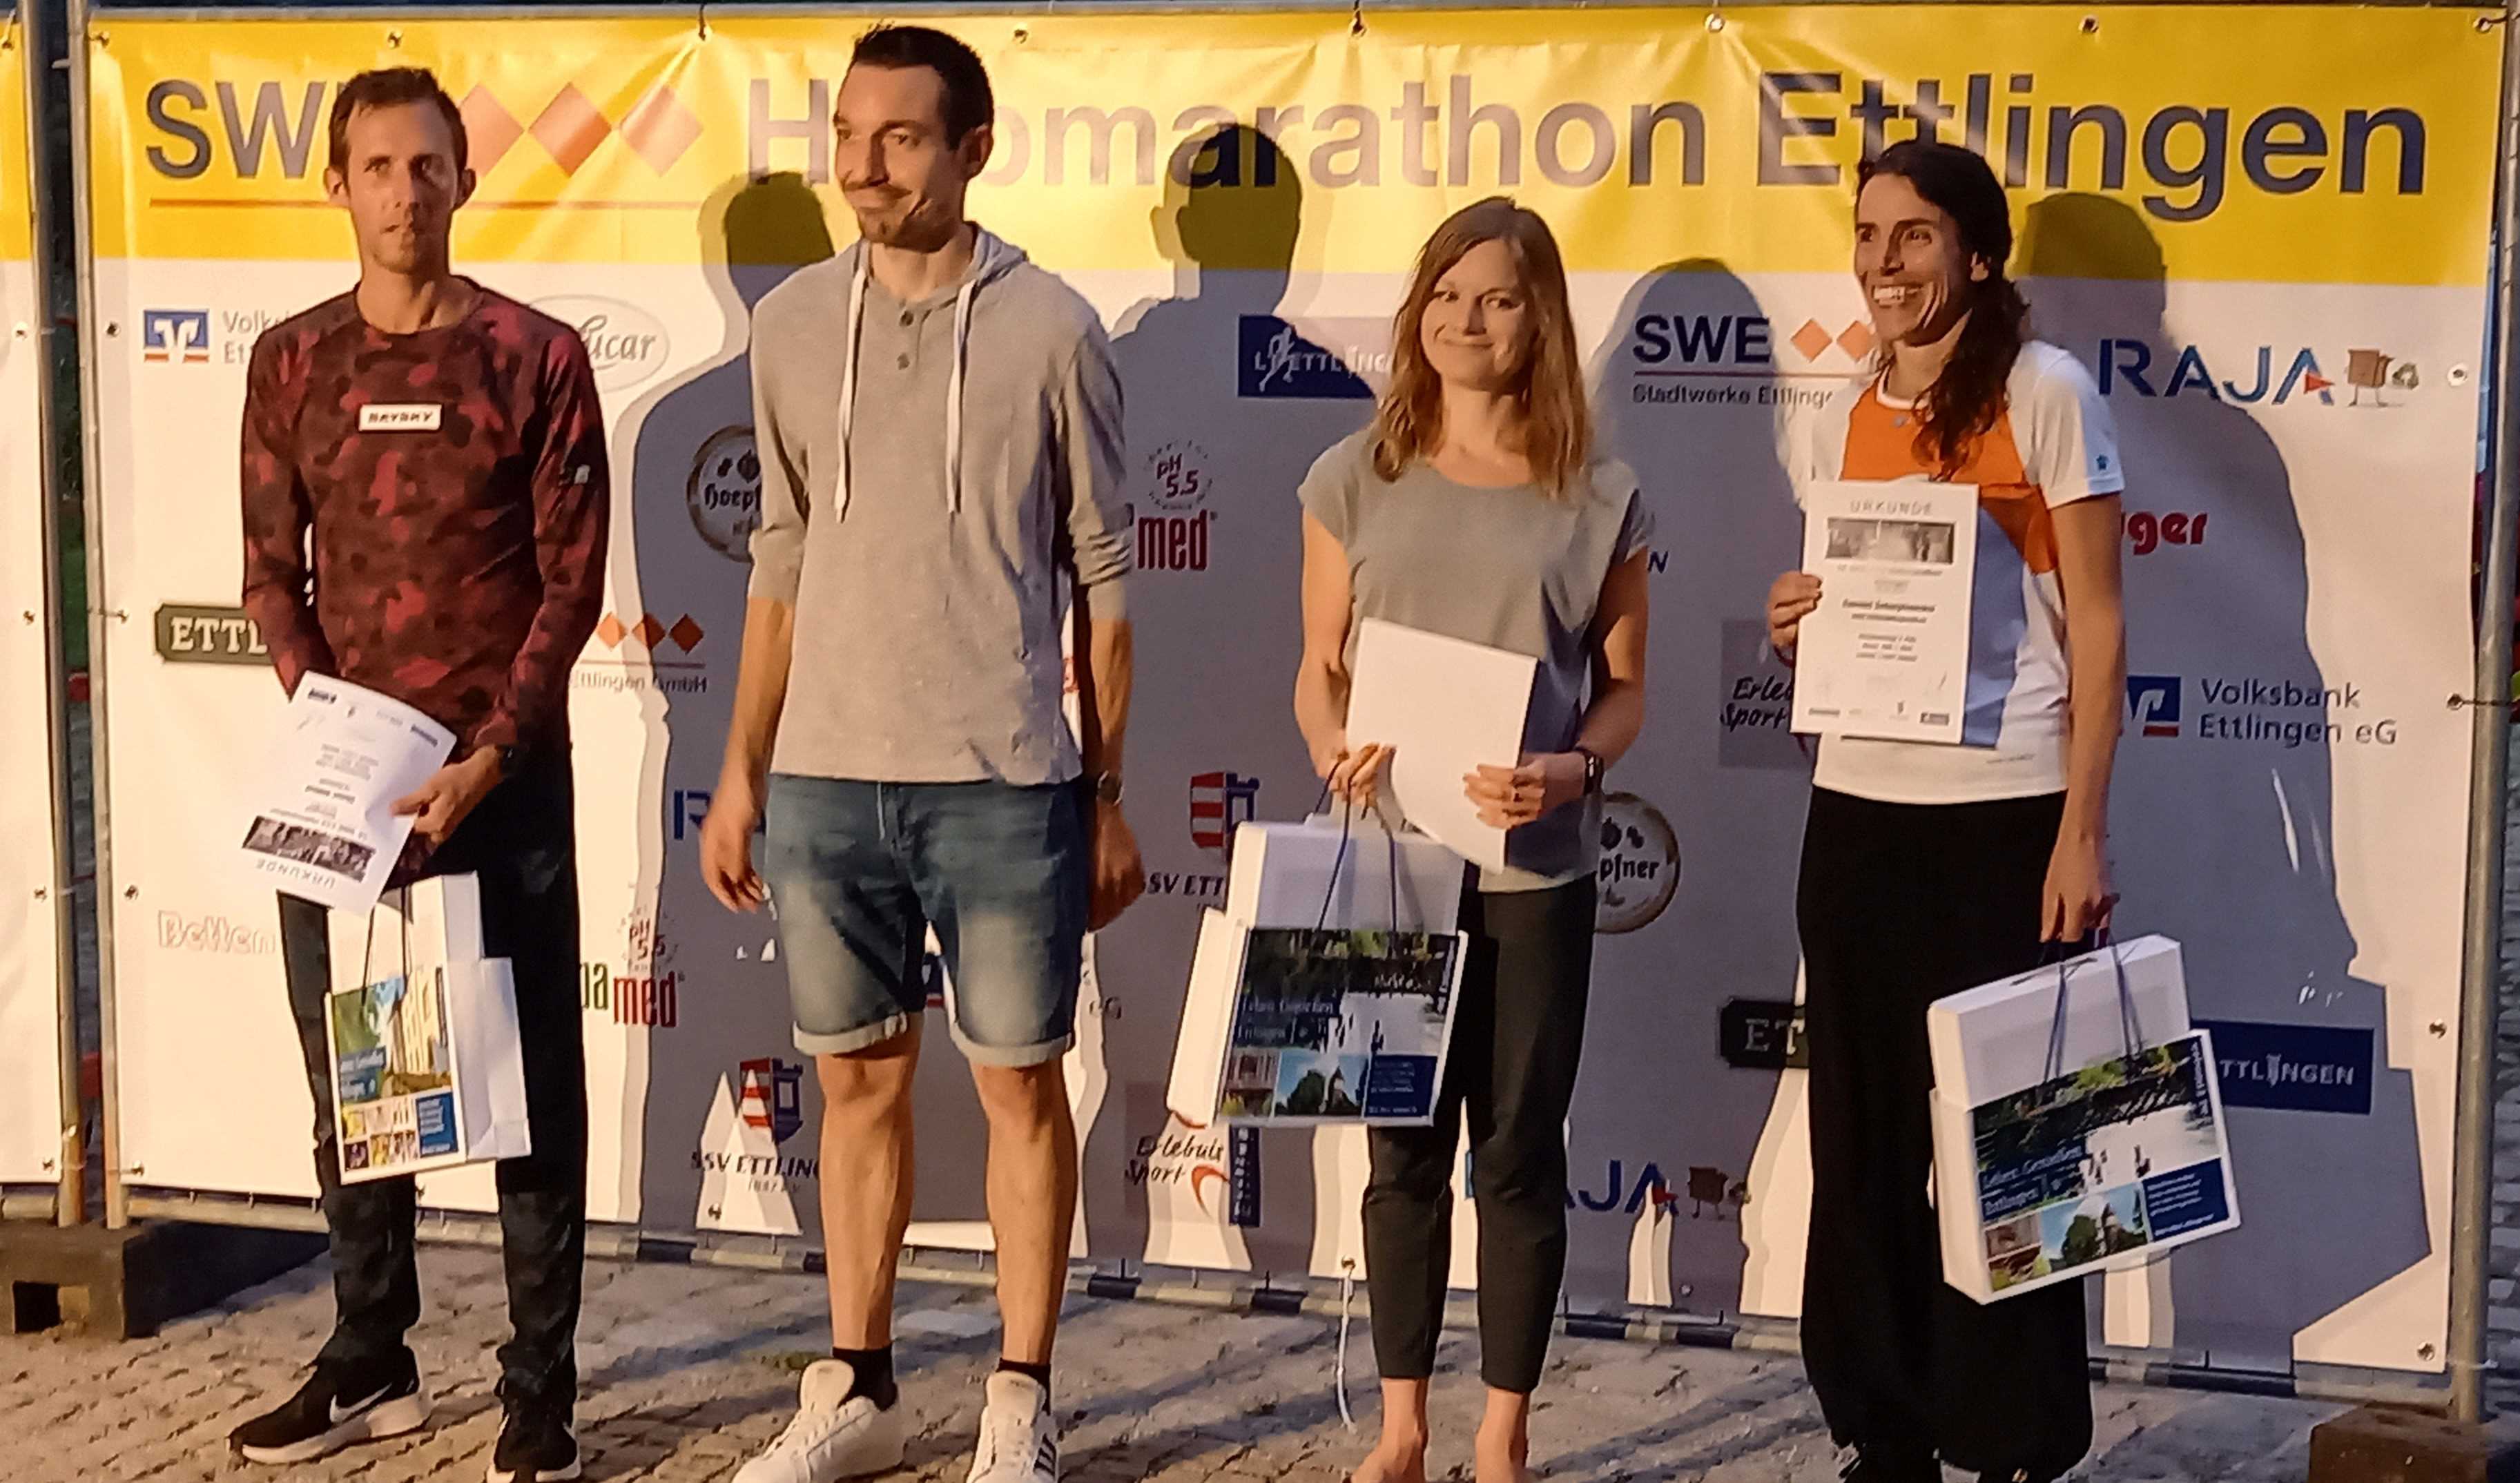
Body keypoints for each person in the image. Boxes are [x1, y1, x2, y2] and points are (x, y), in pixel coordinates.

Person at [699, 25, 1143, 1483]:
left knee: (1019, 1087)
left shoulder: (1053, 329)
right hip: (826, 782)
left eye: (899, 138)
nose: (864, 166)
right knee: (856, 1088)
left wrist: (1106, 795)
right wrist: (744, 769)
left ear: (973, 150)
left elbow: (1103, 582)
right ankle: (861, 1385)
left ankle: (1020, 1396)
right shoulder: (787, 328)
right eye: (848, 134)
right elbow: (778, 555)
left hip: (1004, 782)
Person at [229, 67, 608, 1483]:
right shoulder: (290, 361)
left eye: (428, 166)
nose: (405, 193)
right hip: (349, 798)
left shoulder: (536, 355)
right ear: (338, 185)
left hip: (504, 783)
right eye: (378, 167)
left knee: (528, 1089)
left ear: (465, 179)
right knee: (361, 1079)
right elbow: (268, 576)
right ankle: (370, 1358)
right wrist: (343, 740)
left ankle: (540, 1392)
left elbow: (570, 584)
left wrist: (489, 752)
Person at [1765, 139, 2126, 1483]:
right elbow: (1837, 615)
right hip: (1857, 815)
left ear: (1976, 254)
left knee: (2012, 1141)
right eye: (1867, 235)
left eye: (1912, 235)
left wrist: (2079, 830)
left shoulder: (2047, 393)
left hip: (2002, 815)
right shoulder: (1838, 410)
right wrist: (1794, 624)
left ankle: (2013, 1436)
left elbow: (2098, 628)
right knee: (1860, 1144)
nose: (1883, 261)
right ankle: (1886, 1430)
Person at [1292, 197, 1651, 1483]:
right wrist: (1329, 745)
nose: (1466, 320)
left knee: (1514, 1153)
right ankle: (1400, 1428)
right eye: (1445, 294)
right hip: (1393, 868)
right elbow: (1319, 669)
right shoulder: (1351, 477)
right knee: (1399, 1150)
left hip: (1534, 873)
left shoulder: (1597, 498)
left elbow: (1625, 691)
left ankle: (1503, 1431)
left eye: (1496, 298)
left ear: (1538, 317)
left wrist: (1573, 769)